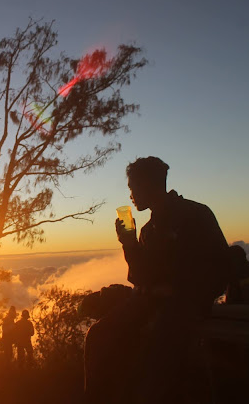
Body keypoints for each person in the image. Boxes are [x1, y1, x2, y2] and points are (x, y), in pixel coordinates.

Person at [85, 156, 230, 404]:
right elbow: (140, 278)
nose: (131, 195)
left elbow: (220, 268)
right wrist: (129, 245)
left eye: (132, 188)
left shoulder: (195, 214)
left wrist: (176, 290)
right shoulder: (147, 230)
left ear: (148, 185)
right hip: (151, 301)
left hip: (185, 305)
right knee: (98, 335)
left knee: (153, 358)